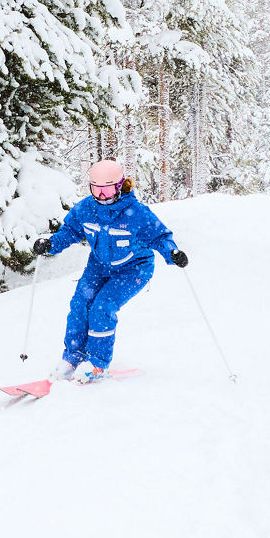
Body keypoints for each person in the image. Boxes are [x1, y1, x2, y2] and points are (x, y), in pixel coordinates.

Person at [32, 160, 189, 383]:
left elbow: (161, 237)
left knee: (102, 307)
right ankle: (72, 358)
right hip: (99, 265)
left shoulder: (136, 213)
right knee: (80, 303)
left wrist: (172, 253)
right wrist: (50, 244)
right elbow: (69, 232)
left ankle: (97, 363)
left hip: (133, 269)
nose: (102, 196)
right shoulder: (86, 209)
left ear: (120, 186)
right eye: (96, 189)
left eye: (107, 189)